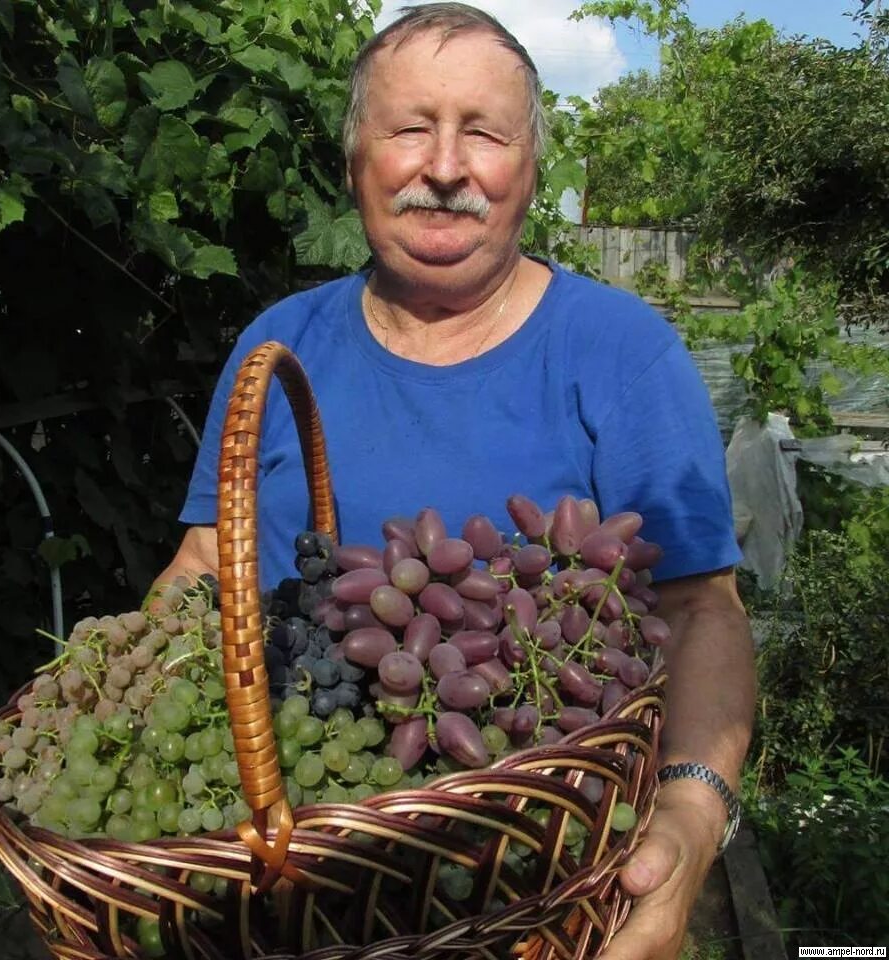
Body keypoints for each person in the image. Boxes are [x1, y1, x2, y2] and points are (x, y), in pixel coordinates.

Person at [156, 4, 755, 958]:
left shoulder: (622, 355)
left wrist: (690, 815)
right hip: (271, 882)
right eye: (408, 128)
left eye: (483, 131)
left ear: (528, 166)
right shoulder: (280, 349)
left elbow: (701, 610)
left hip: (532, 889)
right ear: (357, 159)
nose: (444, 167)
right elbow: (200, 564)